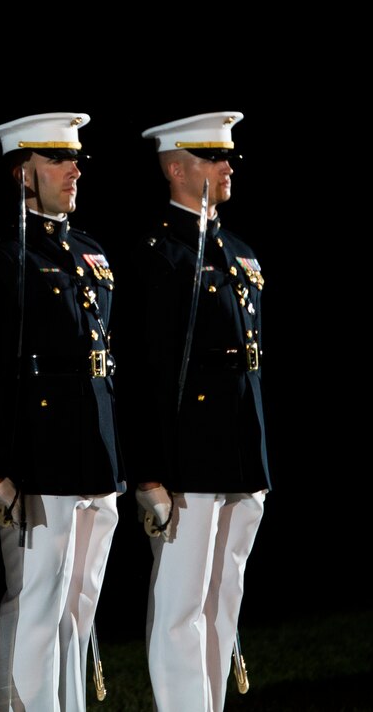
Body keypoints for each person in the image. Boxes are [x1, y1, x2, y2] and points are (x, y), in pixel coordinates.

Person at [121, 111, 270, 712]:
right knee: (182, 605)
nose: (227, 166)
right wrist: (150, 471)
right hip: (189, 454)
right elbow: (146, 367)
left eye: (225, 157)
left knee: (223, 601)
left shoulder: (237, 250)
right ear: (177, 168)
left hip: (240, 451)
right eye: (213, 158)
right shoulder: (159, 252)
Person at [0, 112, 126, 712]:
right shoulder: (3, 255)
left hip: (95, 445)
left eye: (75, 159)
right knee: (35, 601)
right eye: (58, 160)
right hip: (40, 451)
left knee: (78, 606)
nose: (74, 169)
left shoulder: (87, 250)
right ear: (22, 172)